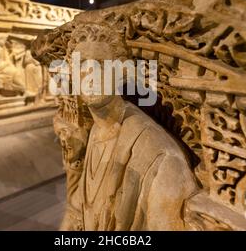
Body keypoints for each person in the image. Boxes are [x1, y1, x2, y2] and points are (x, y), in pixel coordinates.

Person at [55, 24, 199, 230]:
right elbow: (78, 210)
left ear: (122, 72)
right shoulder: (96, 132)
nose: (90, 74)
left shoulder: (157, 155)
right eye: (81, 65)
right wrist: (72, 160)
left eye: (100, 64)